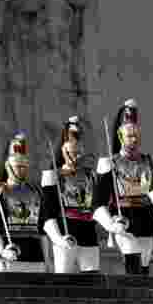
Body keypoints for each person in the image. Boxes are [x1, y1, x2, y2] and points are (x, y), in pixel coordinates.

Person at [94, 99, 153, 276]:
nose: (133, 139)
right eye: (129, 135)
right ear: (120, 137)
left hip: (146, 220)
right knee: (132, 259)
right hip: (123, 219)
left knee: (143, 268)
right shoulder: (109, 163)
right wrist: (110, 224)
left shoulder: (150, 161)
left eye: (136, 135)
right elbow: (98, 203)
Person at [41, 116, 101, 274]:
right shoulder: (54, 176)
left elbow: (98, 205)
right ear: (63, 151)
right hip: (65, 233)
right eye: (71, 153)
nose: (75, 157)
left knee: (92, 278)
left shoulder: (90, 175)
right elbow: (47, 214)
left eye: (78, 153)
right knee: (63, 279)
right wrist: (58, 238)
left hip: (88, 235)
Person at [0, 131, 46, 273]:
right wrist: (1, 250)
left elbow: (42, 229)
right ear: (8, 166)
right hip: (9, 254)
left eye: (25, 166)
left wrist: (49, 260)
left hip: (36, 256)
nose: (22, 170)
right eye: (18, 166)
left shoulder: (35, 191)